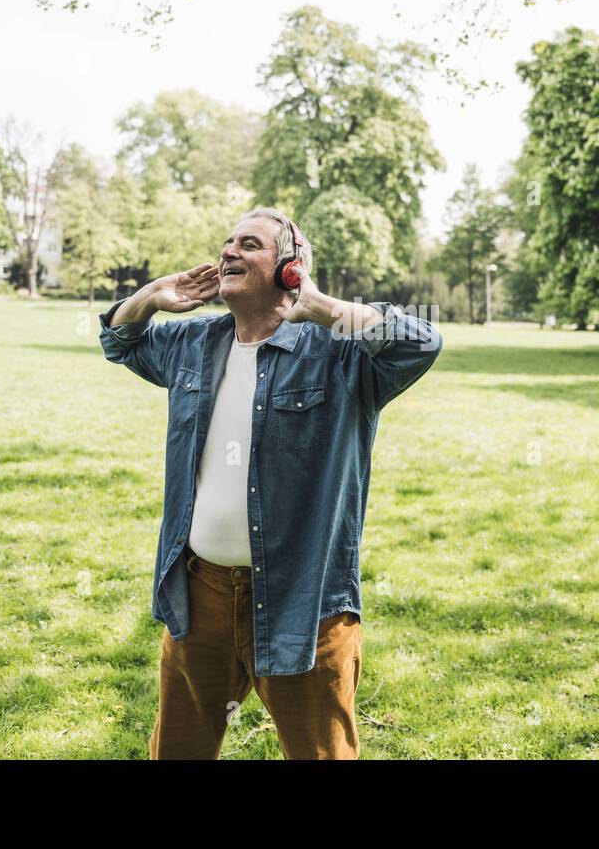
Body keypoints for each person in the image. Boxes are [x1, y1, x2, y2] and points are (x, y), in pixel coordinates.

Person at [98, 206, 442, 759]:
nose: (228, 251)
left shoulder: (341, 355)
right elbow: (120, 343)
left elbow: (420, 344)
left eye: (249, 244)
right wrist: (151, 296)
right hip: (199, 594)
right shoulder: (196, 344)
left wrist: (322, 307)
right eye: (227, 242)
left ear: (290, 268)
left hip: (304, 604)